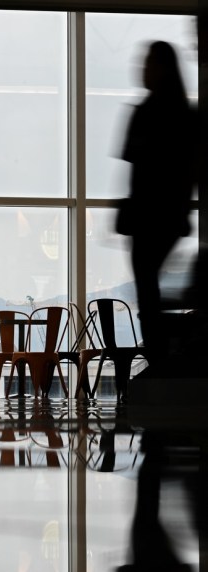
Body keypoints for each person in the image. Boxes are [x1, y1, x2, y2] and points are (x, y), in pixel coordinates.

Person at [116, 41, 197, 369]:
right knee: (150, 290)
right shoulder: (186, 115)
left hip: (146, 215)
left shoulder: (144, 112)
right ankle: (164, 352)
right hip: (170, 214)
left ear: (160, 68)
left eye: (147, 63)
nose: (142, 68)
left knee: (147, 291)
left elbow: (134, 170)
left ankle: (159, 354)